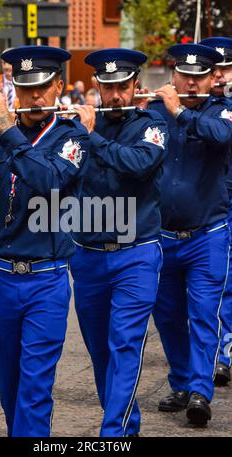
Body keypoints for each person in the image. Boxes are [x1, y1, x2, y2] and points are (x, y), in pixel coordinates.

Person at [0, 45, 90, 437]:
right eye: (25, 87)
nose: (34, 96)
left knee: (34, 388)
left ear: (58, 86)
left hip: (46, 279)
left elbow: (50, 182)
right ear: (14, 88)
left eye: (43, 87)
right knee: (8, 384)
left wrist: (9, 133)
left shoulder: (71, 137)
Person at [70, 48, 168, 437]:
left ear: (135, 86)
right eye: (107, 87)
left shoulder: (151, 125)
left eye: (122, 87)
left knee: (124, 345)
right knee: (101, 352)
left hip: (137, 253)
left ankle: (112, 435)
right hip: (89, 254)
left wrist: (91, 138)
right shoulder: (80, 126)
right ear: (96, 86)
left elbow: (139, 164)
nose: (115, 96)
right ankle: (126, 425)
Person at [150, 44, 232, 426]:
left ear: (211, 78)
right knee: (167, 316)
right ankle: (181, 382)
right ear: (175, 76)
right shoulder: (152, 111)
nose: (192, 82)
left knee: (202, 314)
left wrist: (179, 112)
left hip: (207, 235)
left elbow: (219, 136)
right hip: (162, 236)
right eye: (185, 76)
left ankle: (200, 390)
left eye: (200, 76)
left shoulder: (222, 111)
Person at [200, 36, 232, 387]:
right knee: (218, 282)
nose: (221, 76)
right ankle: (220, 353)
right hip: (213, 202)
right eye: (216, 69)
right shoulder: (200, 105)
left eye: (226, 68)